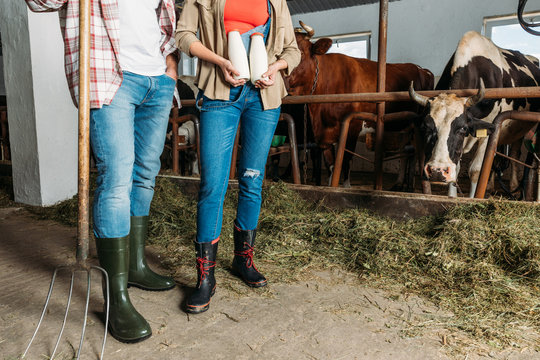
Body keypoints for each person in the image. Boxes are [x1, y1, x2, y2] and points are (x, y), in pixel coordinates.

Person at [25, 0, 179, 343]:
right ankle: (116, 296)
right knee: (116, 179)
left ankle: (136, 264)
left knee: (145, 175)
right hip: (112, 77)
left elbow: (163, 21)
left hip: (158, 79)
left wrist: (170, 67)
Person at [176, 0, 300, 314]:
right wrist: (219, 61)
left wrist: (276, 67)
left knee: (251, 181)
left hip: (264, 97)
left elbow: (292, 51)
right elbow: (183, 35)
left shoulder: (276, 2)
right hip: (220, 93)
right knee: (212, 185)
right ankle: (206, 276)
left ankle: (243, 260)